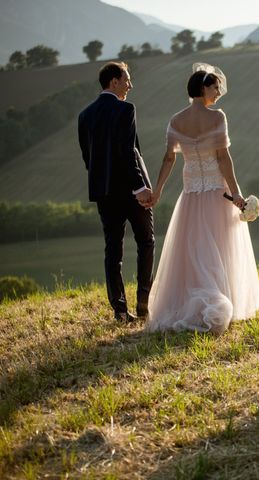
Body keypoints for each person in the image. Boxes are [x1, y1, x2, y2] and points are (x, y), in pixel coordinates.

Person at [145, 63, 259, 334]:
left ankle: (190, 300)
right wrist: (236, 194)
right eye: (214, 86)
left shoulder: (176, 121)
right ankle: (217, 301)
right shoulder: (217, 117)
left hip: (191, 195)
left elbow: (169, 158)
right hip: (216, 193)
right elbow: (223, 158)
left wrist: (158, 190)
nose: (219, 91)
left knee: (194, 250)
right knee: (219, 248)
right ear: (202, 88)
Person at [78, 62, 154, 323]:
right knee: (146, 241)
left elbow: (88, 158)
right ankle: (144, 303)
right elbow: (127, 152)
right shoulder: (126, 109)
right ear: (114, 82)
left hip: (104, 192)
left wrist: (103, 182)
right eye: (127, 80)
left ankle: (120, 311)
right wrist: (141, 188)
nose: (130, 85)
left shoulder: (84, 115)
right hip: (132, 191)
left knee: (113, 250)